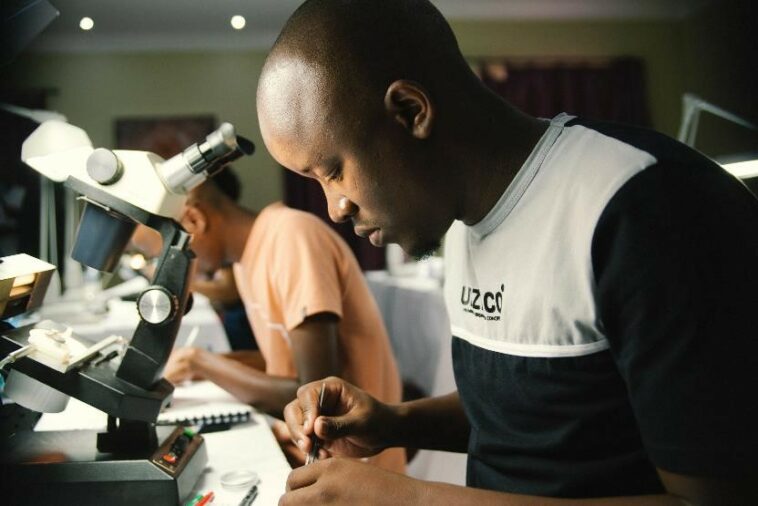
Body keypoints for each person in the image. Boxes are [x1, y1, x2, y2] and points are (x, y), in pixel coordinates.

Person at [255, 0, 758, 504]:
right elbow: (530, 416)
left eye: (333, 170)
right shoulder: (458, 221)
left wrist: (414, 499)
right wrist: (394, 422)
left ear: (410, 111)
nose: (334, 209)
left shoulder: (646, 209)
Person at [162, 171, 406, 473]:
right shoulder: (246, 261)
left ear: (194, 220)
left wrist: (199, 362)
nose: (161, 271)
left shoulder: (292, 237)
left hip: (355, 470)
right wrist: (212, 365)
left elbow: (316, 394)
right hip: (311, 455)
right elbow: (283, 364)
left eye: (160, 256)